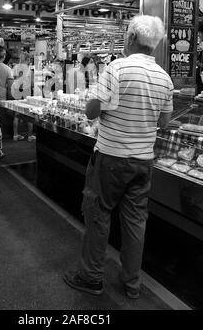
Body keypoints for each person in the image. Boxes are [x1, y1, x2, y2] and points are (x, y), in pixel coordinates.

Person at [63, 15, 174, 299]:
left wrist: (98, 101)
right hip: (143, 162)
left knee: (99, 217)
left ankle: (90, 278)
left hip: (111, 159)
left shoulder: (117, 68)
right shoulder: (164, 77)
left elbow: (91, 112)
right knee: (136, 222)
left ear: (133, 38)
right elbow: (164, 122)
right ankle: (132, 284)